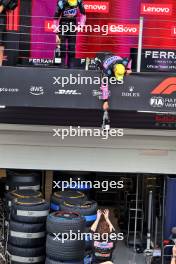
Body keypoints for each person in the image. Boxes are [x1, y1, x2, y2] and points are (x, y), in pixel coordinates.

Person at [95, 52, 132, 129]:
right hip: (101, 58)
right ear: (114, 70)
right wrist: (105, 101)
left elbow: (129, 59)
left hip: (112, 55)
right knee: (99, 69)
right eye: (118, 75)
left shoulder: (123, 63)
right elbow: (104, 86)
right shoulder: (107, 70)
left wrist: (128, 69)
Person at [54, 0, 86, 68]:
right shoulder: (61, 2)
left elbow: (83, 14)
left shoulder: (79, 1)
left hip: (73, 26)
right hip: (63, 25)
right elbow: (55, 18)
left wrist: (81, 26)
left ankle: (71, 67)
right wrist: (56, 31)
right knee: (62, 47)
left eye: (73, 6)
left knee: (72, 48)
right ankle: (61, 66)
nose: (72, 7)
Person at [0, 0, 18, 66]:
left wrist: (4, 5)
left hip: (1, 18)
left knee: (0, 42)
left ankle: (0, 66)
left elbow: (11, 7)